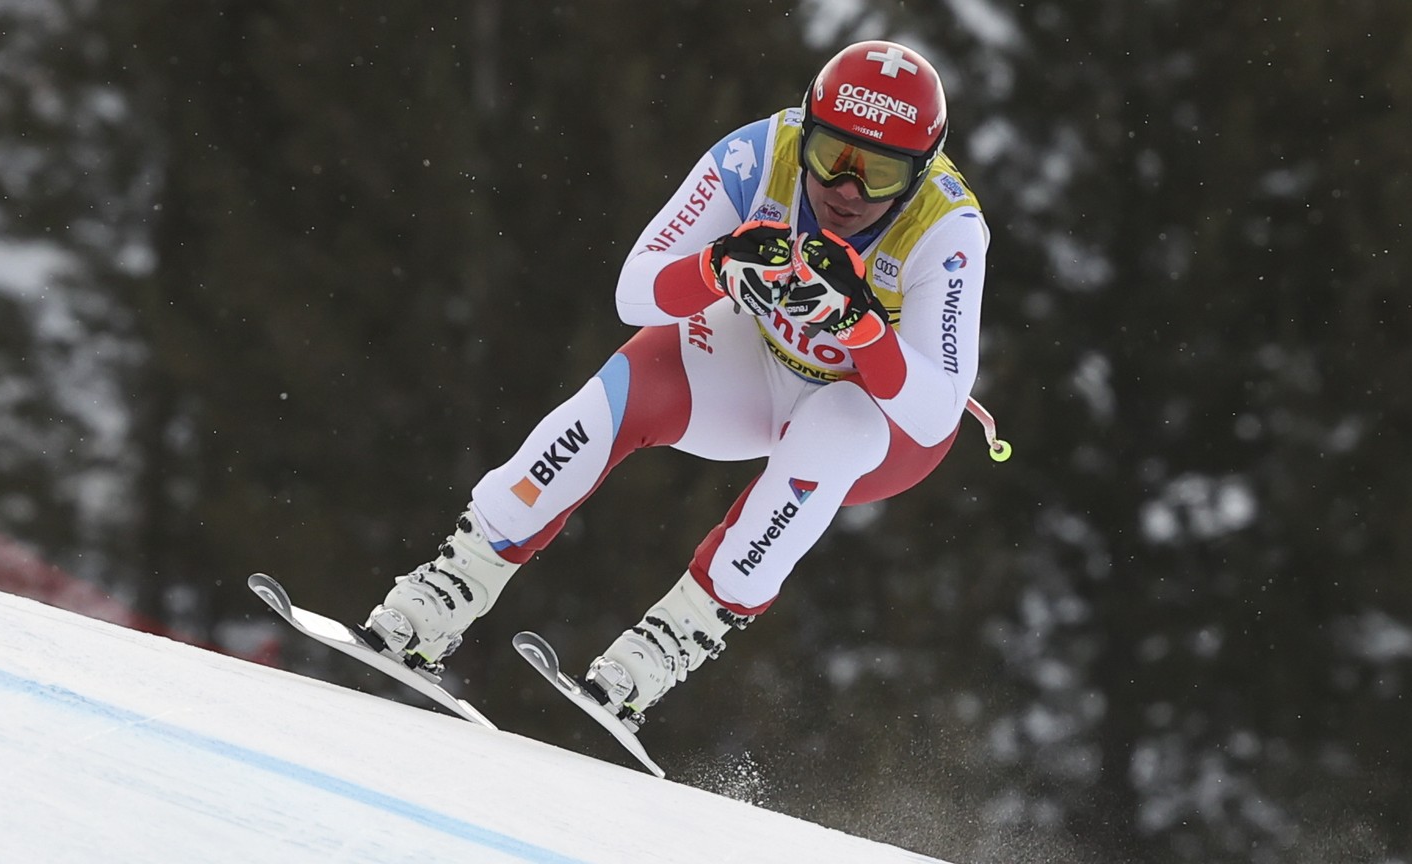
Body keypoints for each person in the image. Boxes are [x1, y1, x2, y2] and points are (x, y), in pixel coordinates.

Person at [359, 39, 1006, 729]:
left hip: (881, 423)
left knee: (835, 424)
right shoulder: (761, 153)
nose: (846, 190)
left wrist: (863, 330)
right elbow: (634, 292)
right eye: (831, 157)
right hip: (762, 361)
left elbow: (935, 412)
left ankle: (663, 649)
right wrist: (718, 266)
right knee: (624, 389)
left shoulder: (948, 228)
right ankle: (448, 586)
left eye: (878, 172)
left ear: (918, 174)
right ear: (807, 130)